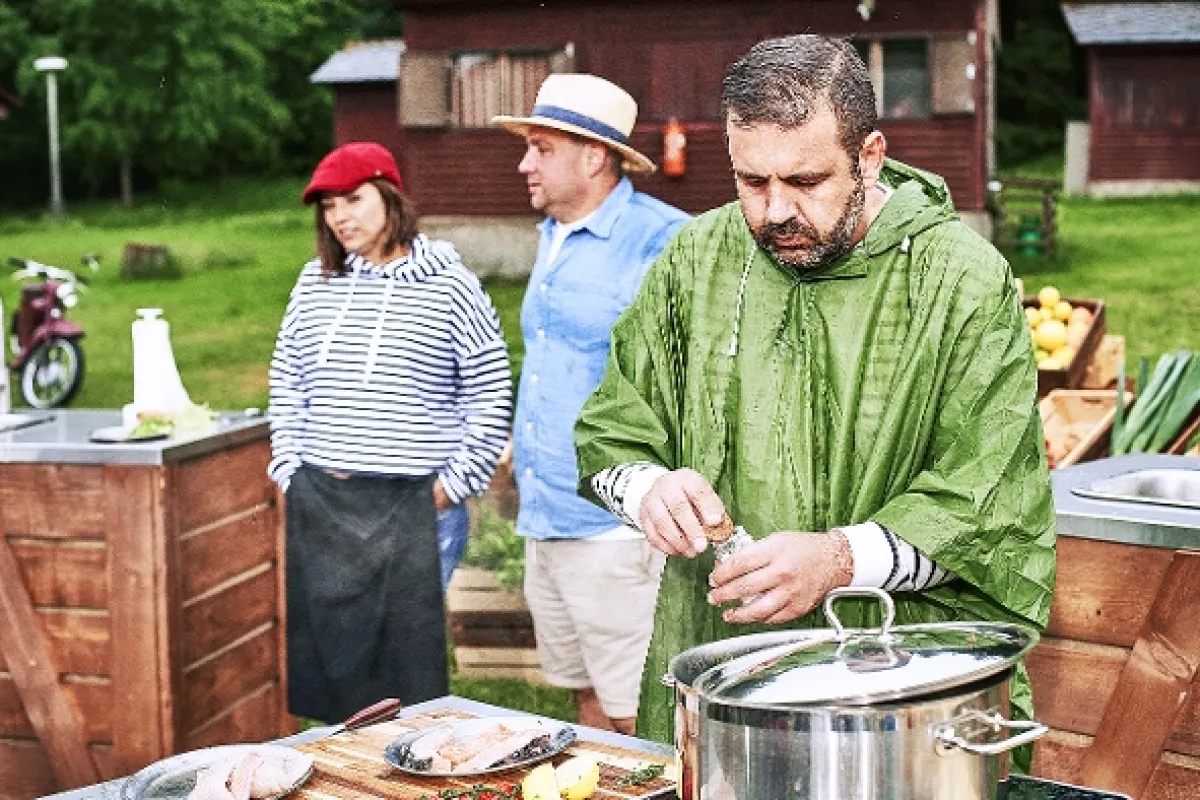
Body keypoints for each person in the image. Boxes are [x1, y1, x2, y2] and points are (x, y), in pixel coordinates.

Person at [574, 34, 1056, 767]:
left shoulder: (961, 282)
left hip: (901, 697)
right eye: (750, 182)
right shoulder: (698, 259)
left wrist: (837, 559)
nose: (774, 213)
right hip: (720, 673)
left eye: (805, 180)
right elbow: (614, 428)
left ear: (869, 156)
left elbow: (988, 509)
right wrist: (647, 489)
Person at [267, 141, 511, 722]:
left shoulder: (449, 285)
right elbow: (287, 378)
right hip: (325, 503)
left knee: (405, 679)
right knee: (335, 665)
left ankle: (404, 774)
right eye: (328, 206)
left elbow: (490, 385)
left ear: (390, 196)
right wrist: (288, 470)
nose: (340, 216)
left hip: (414, 505)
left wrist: (452, 486)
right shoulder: (315, 282)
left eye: (353, 199)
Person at [491, 74, 690, 734]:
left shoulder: (662, 243)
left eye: (541, 149)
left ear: (593, 156)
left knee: (639, 717)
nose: (524, 163)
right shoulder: (554, 233)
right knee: (583, 706)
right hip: (546, 518)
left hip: (613, 527)